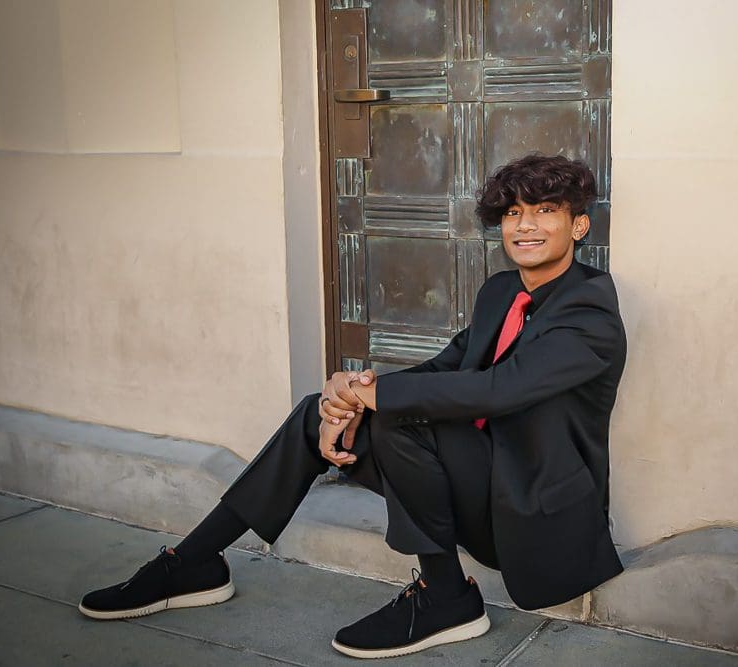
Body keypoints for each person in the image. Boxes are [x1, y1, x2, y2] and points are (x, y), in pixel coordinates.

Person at [78, 154, 627, 659]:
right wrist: (350, 397)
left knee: (399, 421)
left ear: (578, 226)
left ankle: (445, 598)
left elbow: (499, 390)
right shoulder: (501, 292)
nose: (525, 225)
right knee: (317, 414)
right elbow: (447, 368)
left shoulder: (591, 314)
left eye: (545, 211)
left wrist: (377, 398)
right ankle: (193, 563)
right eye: (513, 212)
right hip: (482, 484)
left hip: (539, 509)